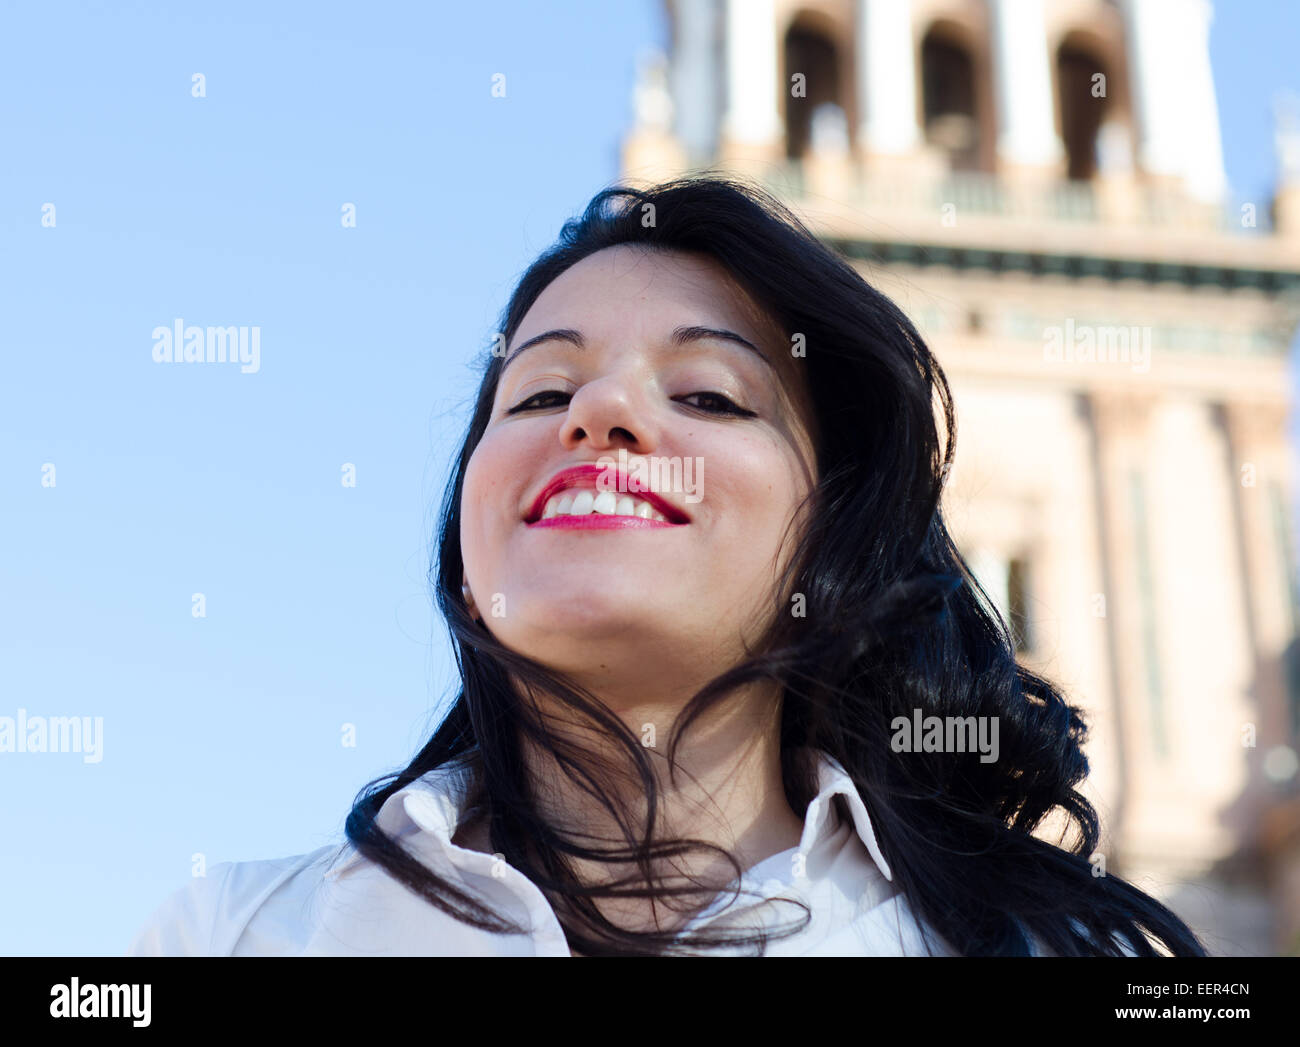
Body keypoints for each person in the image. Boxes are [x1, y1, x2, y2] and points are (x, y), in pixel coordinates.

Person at [128, 175, 1205, 957]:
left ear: (835, 545)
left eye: (707, 396)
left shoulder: (1056, 954)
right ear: (466, 555)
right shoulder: (230, 935)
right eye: (541, 394)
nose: (600, 411)